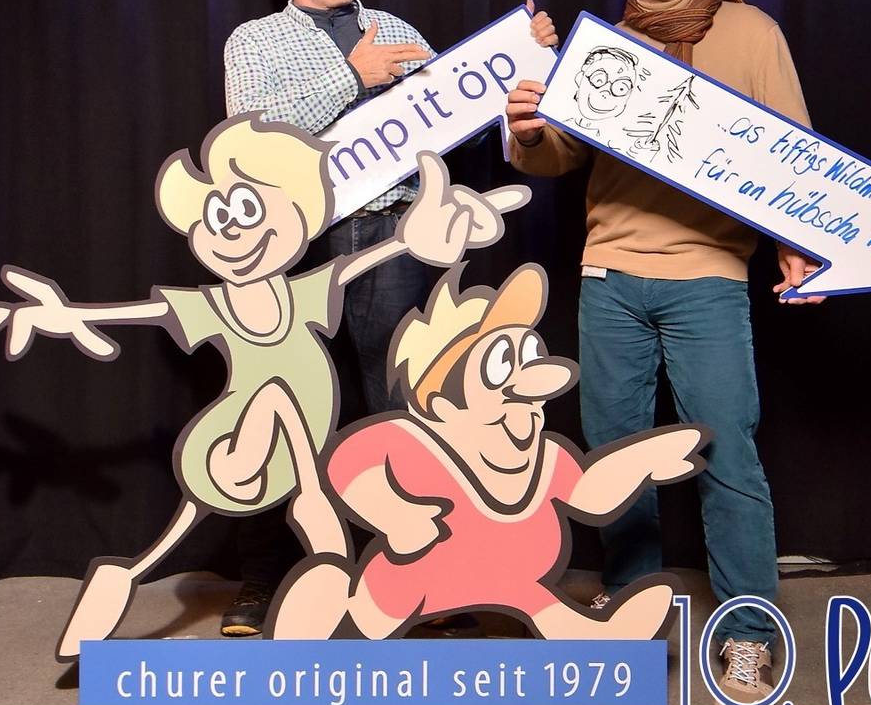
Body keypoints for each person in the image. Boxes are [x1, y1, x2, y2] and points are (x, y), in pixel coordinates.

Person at [0, 116, 524, 660]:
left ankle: (335, 580)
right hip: (231, 452)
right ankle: (321, 549)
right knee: (274, 399)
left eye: (249, 211)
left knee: (178, 532)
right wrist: (67, 314)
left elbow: (373, 257)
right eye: (217, 217)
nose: (234, 231)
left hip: (287, 451)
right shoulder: (215, 305)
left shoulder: (303, 292)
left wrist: (413, 237)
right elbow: (143, 312)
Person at [503, 0, 824, 705]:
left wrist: (801, 248)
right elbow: (559, 156)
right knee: (616, 459)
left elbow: (795, 154)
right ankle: (629, 611)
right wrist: (527, 129)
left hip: (708, 277)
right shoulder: (601, 45)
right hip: (610, 277)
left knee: (728, 455)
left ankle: (749, 634)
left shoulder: (751, 32)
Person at [218, 0, 558, 635]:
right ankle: (261, 582)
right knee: (284, 404)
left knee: (400, 406)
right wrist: (351, 77)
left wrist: (522, 61)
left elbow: (462, 115)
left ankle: (416, 580)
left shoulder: (398, 31)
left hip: (393, 235)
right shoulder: (254, 41)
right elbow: (249, 138)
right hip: (295, 244)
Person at [267, 263, 706, 642]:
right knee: (358, 625)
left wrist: (640, 461)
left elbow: (589, 494)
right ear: (441, 404)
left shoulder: (545, 459)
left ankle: (606, 638)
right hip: (407, 589)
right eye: (500, 364)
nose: (528, 380)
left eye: (528, 357)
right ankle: (321, 628)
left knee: (545, 607)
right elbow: (351, 463)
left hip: (514, 584)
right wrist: (393, 512)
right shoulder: (416, 444)